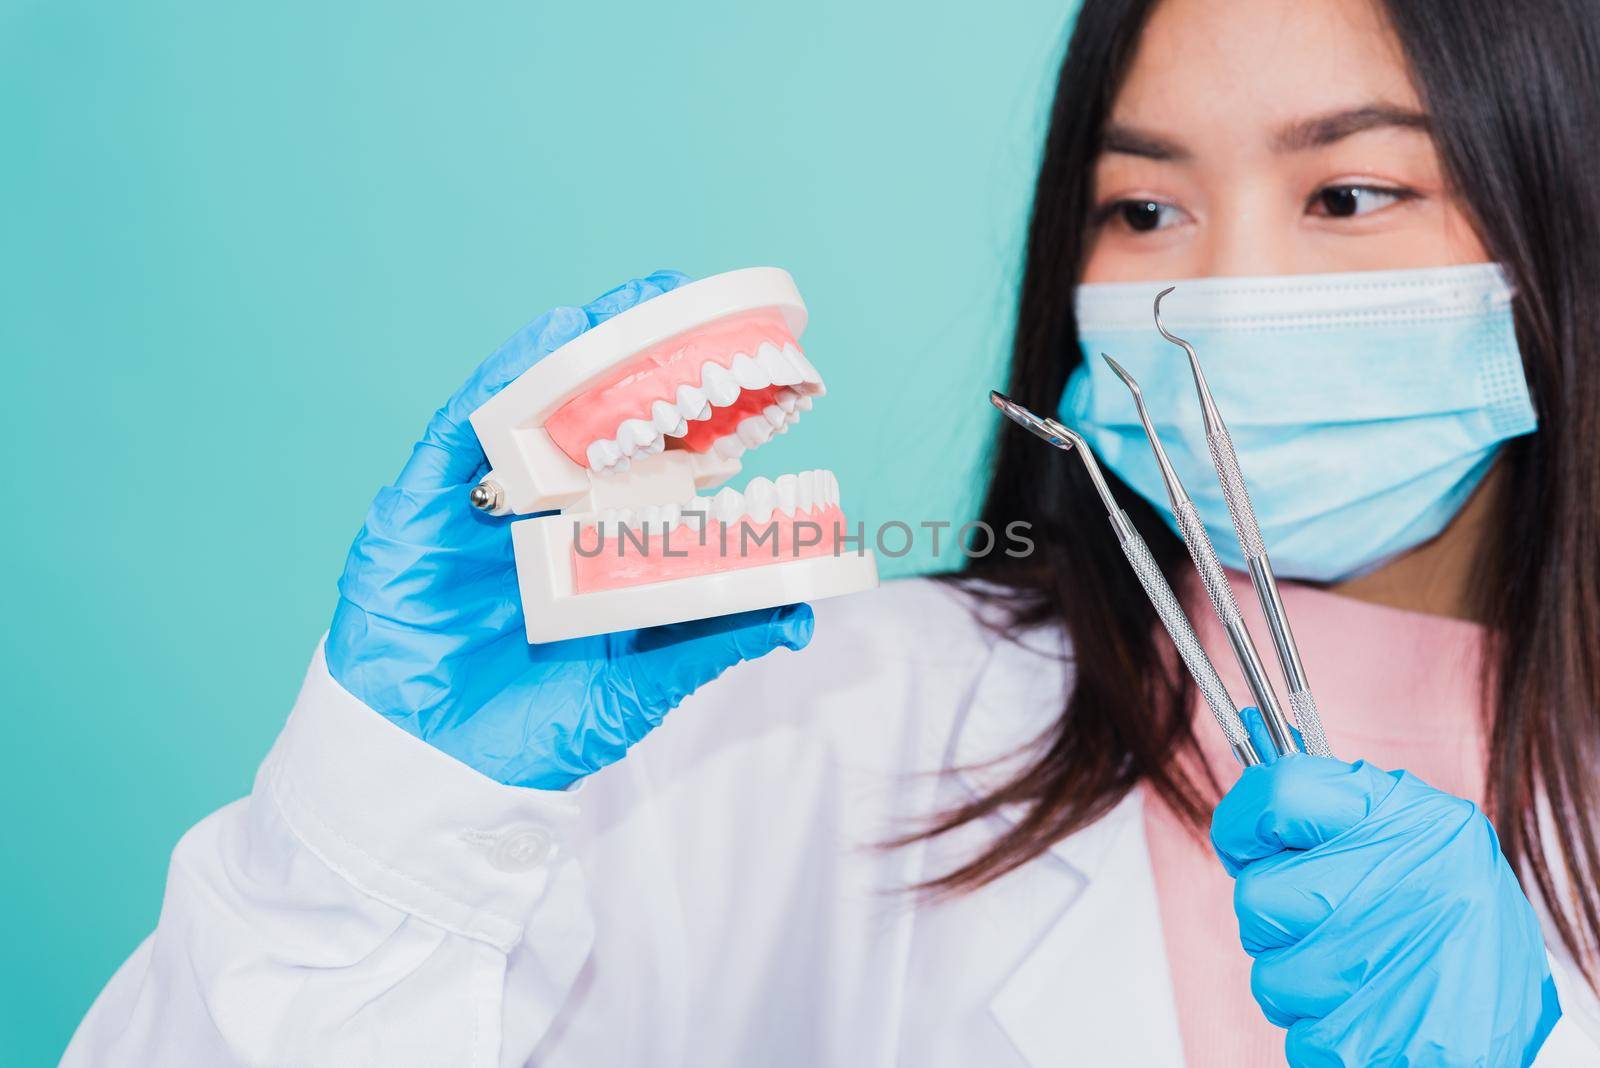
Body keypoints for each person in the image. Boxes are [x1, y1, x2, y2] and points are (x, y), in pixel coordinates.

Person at [64, 0, 1600, 1064]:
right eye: (1141, 210)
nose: (1222, 293)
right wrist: (381, 821)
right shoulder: (813, 724)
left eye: (1348, 191)